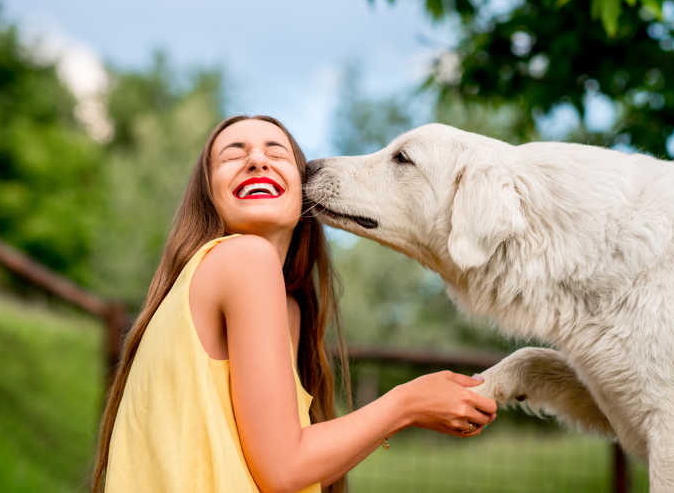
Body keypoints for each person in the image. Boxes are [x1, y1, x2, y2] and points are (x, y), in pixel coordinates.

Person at [91, 115, 497, 493]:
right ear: (208, 198)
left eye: (276, 152)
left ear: (304, 189)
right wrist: (407, 403)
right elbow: (284, 467)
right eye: (233, 153)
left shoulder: (284, 308)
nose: (256, 159)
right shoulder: (243, 259)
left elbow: (285, 467)